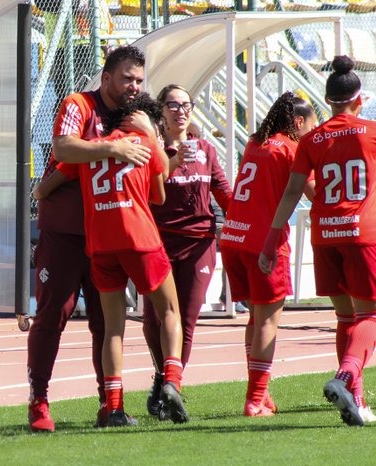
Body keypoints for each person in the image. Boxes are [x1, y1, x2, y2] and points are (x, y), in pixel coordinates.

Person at [259, 56, 376, 426]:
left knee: (346, 317)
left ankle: (355, 400)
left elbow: (292, 192)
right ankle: (344, 378)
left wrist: (272, 237)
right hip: (364, 235)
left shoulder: (311, 139)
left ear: (329, 102)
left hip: (325, 236)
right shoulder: (375, 130)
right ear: (360, 100)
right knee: (372, 315)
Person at [35, 92, 189, 427]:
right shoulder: (144, 144)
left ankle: (114, 408)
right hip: (139, 237)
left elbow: (42, 189)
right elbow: (159, 194)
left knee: (113, 330)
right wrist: (153, 138)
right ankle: (172, 381)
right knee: (169, 312)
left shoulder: (93, 147)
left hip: (101, 244)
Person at [26, 45, 158, 433]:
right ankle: (38, 401)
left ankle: (110, 403)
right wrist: (111, 147)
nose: (133, 86)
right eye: (126, 78)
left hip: (109, 236)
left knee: (107, 322)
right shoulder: (78, 104)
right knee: (53, 314)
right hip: (65, 234)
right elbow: (64, 147)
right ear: (106, 78)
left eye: (138, 79)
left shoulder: (135, 116)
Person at [220, 92, 317, 417]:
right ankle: (254, 398)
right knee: (268, 321)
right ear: (299, 123)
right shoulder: (293, 149)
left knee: (255, 318)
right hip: (264, 241)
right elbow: (314, 192)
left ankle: (261, 392)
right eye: (312, 125)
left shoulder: (254, 141)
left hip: (233, 236)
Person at [141, 84, 232, 420]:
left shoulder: (206, 149)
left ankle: (171, 386)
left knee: (187, 318)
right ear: (161, 112)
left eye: (186, 104)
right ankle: (163, 378)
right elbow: (146, 194)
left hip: (199, 243)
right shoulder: (151, 150)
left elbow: (224, 193)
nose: (180, 110)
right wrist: (172, 160)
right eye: (173, 105)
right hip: (159, 243)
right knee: (153, 321)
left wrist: (251, 217)